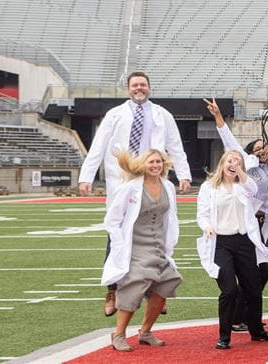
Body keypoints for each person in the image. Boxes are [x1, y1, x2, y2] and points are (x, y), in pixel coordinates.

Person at [79, 72, 191, 317]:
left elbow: (175, 146)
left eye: (143, 85)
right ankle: (113, 290)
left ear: (149, 87)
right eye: (134, 85)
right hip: (123, 180)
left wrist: (184, 175)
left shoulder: (163, 114)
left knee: (155, 232)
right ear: (128, 89)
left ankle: (153, 290)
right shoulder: (114, 114)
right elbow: (98, 146)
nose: (139, 88)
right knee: (116, 232)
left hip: (153, 177)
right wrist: (86, 177)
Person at [194, 149, 268, 349]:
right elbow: (202, 213)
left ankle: (257, 331)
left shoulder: (243, 185)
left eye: (237, 161)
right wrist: (206, 226)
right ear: (222, 163)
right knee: (229, 290)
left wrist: (240, 172)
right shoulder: (209, 187)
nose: (233, 164)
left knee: (253, 289)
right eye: (229, 160)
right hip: (220, 243)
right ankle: (224, 336)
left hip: (244, 241)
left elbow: (252, 188)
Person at [101, 149, 183, 352]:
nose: (155, 165)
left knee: (168, 281)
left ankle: (145, 332)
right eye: (151, 162)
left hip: (158, 244)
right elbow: (112, 220)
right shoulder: (130, 188)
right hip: (135, 244)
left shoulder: (168, 186)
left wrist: (169, 243)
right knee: (135, 283)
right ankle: (118, 334)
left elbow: (171, 217)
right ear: (143, 165)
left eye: (159, 162)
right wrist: (118, 244)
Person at [208, 99, 268, 333]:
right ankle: (239, 317)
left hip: (262, 224)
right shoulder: (246, 164)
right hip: (244, 223)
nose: (262, 150)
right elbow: (228, 140)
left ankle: (246, 316)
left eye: (264, 147)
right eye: (257, 148)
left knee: (261, 272)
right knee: (256, 272)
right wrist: (218, 116)